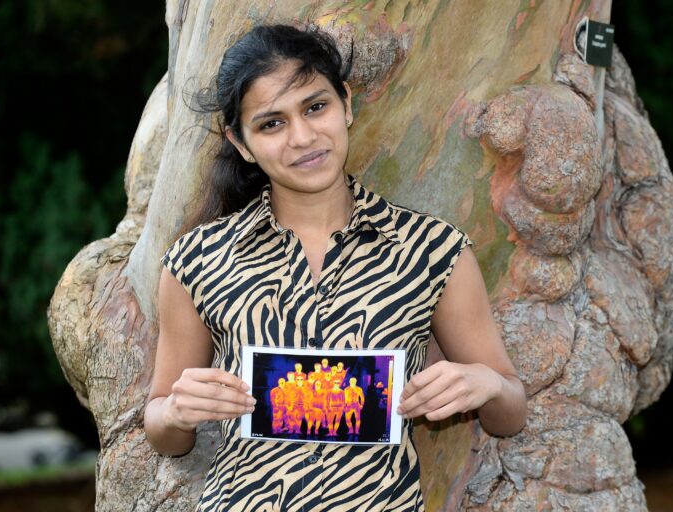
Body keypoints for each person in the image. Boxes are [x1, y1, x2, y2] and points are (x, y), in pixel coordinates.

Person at [144, 24, 526, 511]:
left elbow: (509, 415)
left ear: (345, 103)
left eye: (315, 107)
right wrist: (177, 411)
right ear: (241, 142)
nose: (302, 137)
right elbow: (163, 433)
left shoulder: (433, 250)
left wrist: (486, 384)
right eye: (271, 123)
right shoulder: (195, 260)